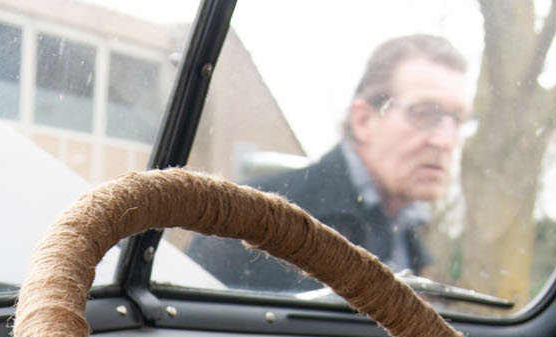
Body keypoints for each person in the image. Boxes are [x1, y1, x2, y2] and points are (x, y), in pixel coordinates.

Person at [187, 34, 470, 292]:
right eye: (425, 114)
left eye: (456, 120)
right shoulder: (251, 218)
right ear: (364, 121)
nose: (446, 141)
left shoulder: (410, 240)